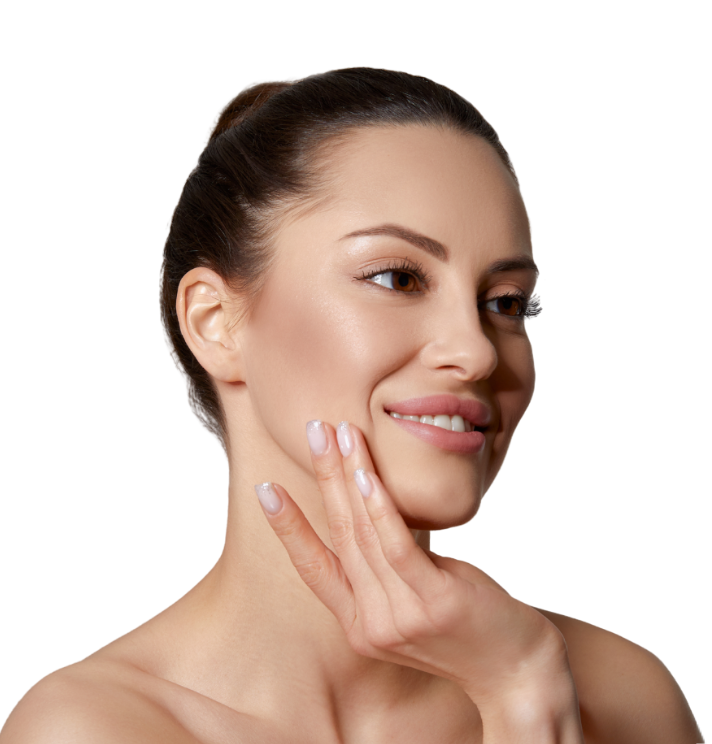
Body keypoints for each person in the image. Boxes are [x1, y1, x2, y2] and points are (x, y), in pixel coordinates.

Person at [2, 67, 703, 743]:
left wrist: (524, 689)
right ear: (217, 324)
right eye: (398, 278)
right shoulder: (95, 729)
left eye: (506, 303)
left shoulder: (624, 694)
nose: (478, 352)